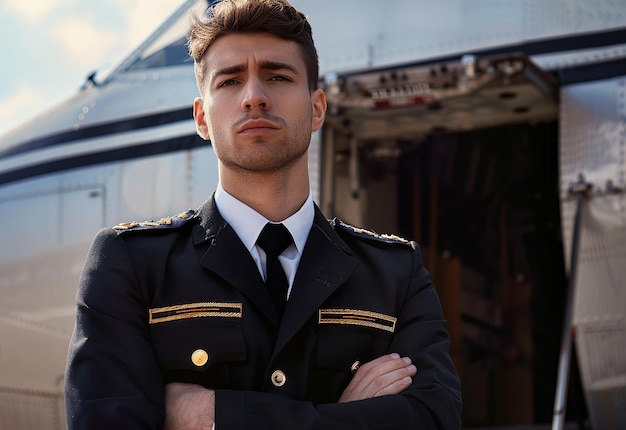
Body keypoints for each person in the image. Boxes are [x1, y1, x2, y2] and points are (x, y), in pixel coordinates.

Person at [64, 0, 462, 428]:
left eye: (277, 76)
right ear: (202, 117)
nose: (254, 97)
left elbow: (433, 419)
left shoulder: (396, 273)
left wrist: (214, 415)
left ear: (317, 109)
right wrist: (346, 417)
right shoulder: (132, 264)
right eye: (230, 81)